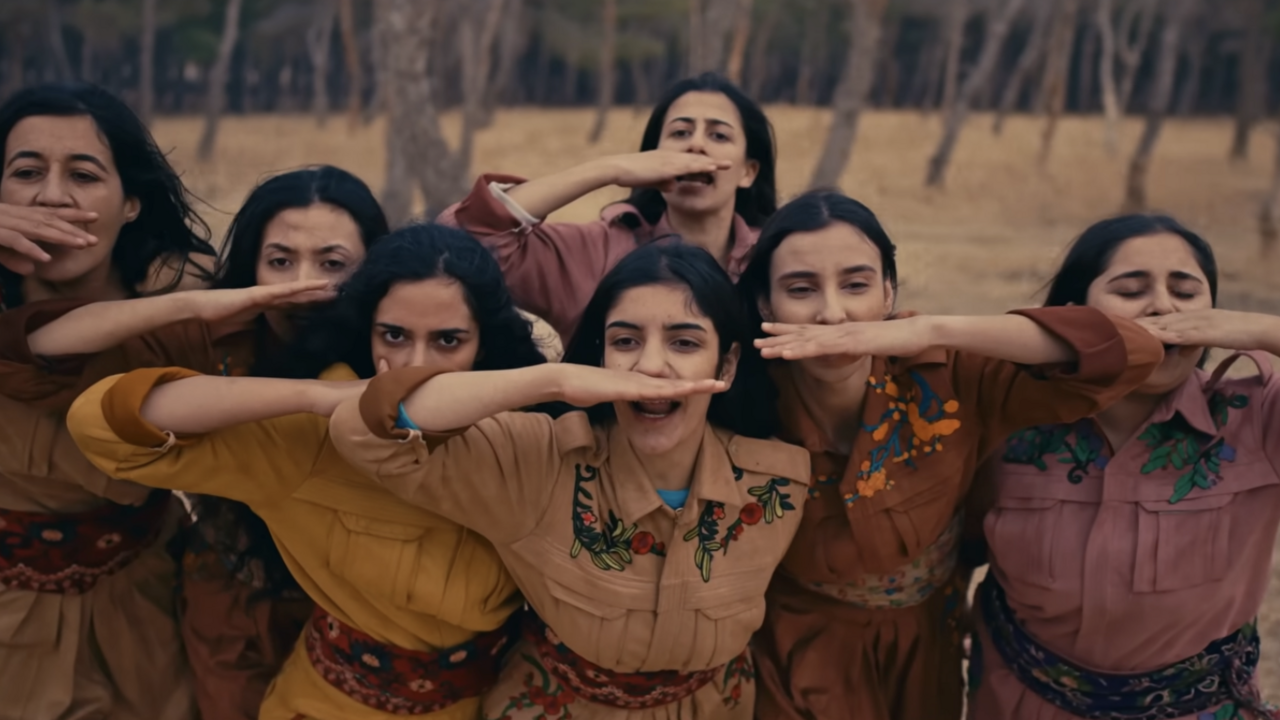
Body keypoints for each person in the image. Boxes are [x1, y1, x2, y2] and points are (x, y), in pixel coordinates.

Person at [66, 223, 554, 720]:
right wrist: (315, 396)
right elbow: (100, 425)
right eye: (394, 336)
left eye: (448, 340)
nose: (416, 365)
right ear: (366, 333)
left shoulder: (528, 439)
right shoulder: (313, 440)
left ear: (483, 345)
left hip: (495, 702)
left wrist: (552, 382)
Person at [328, 242, 809, 719]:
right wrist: (552, 381)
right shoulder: (539, 463)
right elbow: (365, 433)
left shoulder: (778, 483)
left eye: (684, 342)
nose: (650, 365)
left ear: (726, 364)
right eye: (625, 341)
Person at [734, 190, 1166, 720]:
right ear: (765, 304)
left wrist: (932, 328)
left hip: (926, 644)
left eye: (856, 285)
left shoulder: (950, 375)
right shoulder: (741, 402)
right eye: (800, 289)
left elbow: (1131, 351)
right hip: (791, 650)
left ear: (888, 293)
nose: (832, 313)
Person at [21, 164, 392, 720]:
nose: (301, 284)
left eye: (332, 263)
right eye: (280, 261)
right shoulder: (210, 340)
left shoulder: (398, 344)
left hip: (371, 616)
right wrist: (193, 305)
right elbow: (42, 351)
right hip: (232, 597)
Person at [969, 215, 1280, 720]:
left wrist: (1262, 330)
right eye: (1131, 291)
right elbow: (951, 552)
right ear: (1074, 317)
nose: (1162, 306)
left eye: (1186, 292)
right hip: (1021, 702)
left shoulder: (1257, 417)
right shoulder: (1011, 420)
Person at [0, 82, 218, 720]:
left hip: (147, 610)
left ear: (130, 204)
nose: (52, 196)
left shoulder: (186, 307)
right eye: (27, 172)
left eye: (84, 175)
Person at [439, 72, 777, 341]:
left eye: (719, 136)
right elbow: (456, 242)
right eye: (680, 133)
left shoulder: (774, 257)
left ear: (748, 171)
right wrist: (606, 170)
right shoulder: (596, 251)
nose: (696, 145)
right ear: (650, 157)